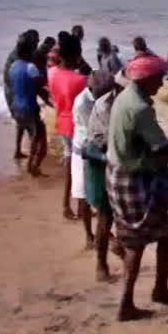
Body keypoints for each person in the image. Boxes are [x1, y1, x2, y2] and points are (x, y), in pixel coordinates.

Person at [106, 54, 168, 321]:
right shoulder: (139, 108)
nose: (162, 84)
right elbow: (164, 149)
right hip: (131, 180)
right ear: (146, 78)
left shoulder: (125, 97)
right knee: (150, 240)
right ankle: (136, 300)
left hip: (117, 175)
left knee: (138, 239)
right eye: (159, 78)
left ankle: (153, 291)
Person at [85, 69, 128, 282]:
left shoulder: (122, 102)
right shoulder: (106, 106)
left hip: (113, 159)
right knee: (106, 215)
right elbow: (115, 142)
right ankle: (101, 267)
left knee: (120, 213)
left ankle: (121, 250)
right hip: (100, 163)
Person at [48, 35, 89, 220]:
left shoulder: (52, 72)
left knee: (71, 167)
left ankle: (66, 205)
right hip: (77, 126)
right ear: (76, 54)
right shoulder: (80, 80)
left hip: (62, 122)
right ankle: (80, 207)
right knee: (81, 168)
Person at [8, 36, 48, 176]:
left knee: (20, 127)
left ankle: (17, 150)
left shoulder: (13, 65)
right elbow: (40, 84)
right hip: (29, 106)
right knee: (38, 135)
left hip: (15, 104)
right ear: (29, 51)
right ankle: (32, 165)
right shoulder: (31, 67)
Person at [71, 73, 98, 248]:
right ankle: (89, 235)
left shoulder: (97, 98)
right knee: (83, 195)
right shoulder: (83, 103)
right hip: (83, 148)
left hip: (93, 146)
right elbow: (93, 128)